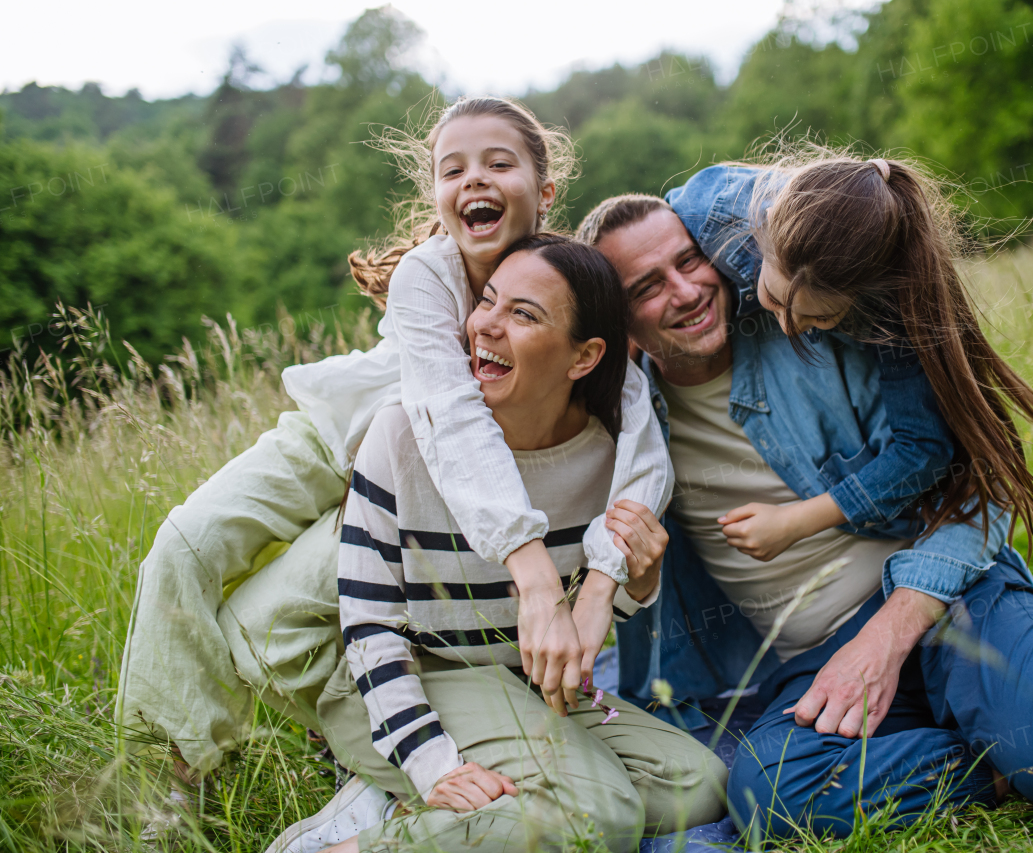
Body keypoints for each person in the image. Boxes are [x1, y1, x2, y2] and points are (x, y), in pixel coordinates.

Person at [579, 155, 1033, 837]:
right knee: (770, 794)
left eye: (690, 260)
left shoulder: (829, 298)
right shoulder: (625, 421)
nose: (687, 289)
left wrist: (887, 628)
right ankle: (1021, 739)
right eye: (646, 286)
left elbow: (975, 474)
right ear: (616, 323)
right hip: (816, 656)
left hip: (940, 600)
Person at [116, 96, 672, 776]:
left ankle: (358, 736)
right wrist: (534, 577)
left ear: (546, 190)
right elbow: (454, 415)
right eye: (452, 169)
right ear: (437, 196)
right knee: (183, 544)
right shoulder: (427, 274)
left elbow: (636, 412)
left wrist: (596, 589)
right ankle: (173, 768)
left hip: (413, 475)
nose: (474, 179)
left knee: (323, 597)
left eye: (499, 163)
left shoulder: (562, 279)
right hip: (340, 433)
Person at [274, 236, 724, 853]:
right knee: (604, 817)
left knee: (699, 784)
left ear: (584, 357)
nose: (485, 324)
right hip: (405, 679)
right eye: (488, 300)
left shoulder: (604, 459)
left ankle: (422, 806)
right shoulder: (404, 434)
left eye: (524, 314)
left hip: (517, 686)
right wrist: (430, 762)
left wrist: (632, 586)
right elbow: (369, 628)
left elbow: (564, 615)